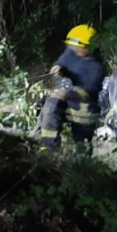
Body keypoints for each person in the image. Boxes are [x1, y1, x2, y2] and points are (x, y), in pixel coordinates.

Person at [38, 24, 106, 152]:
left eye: (78, 47)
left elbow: (88, 92)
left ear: (89, 47)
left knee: (82, 146)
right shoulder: (71, 53)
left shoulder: (96, 66)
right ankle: (48, 147)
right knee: (51, 105)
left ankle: (81, 160)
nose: (75, 49)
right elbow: (58, 64)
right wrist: (57, 71)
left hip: (84, 110)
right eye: (73, 46)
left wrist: (66, 94)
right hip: (66, 102)